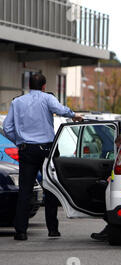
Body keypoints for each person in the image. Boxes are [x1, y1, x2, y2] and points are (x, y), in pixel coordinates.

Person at [2, 73, 83, 241]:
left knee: (25, 191)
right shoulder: (47, 98)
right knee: (50, 188)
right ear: (44, 86)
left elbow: (7, 126)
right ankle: (52, 229)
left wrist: (19, 141)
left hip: (26, 150)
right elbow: (61, 110)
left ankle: (21, 231)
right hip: (46, 150)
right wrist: (74, 115)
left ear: (29, 85)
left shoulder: (17, 102)